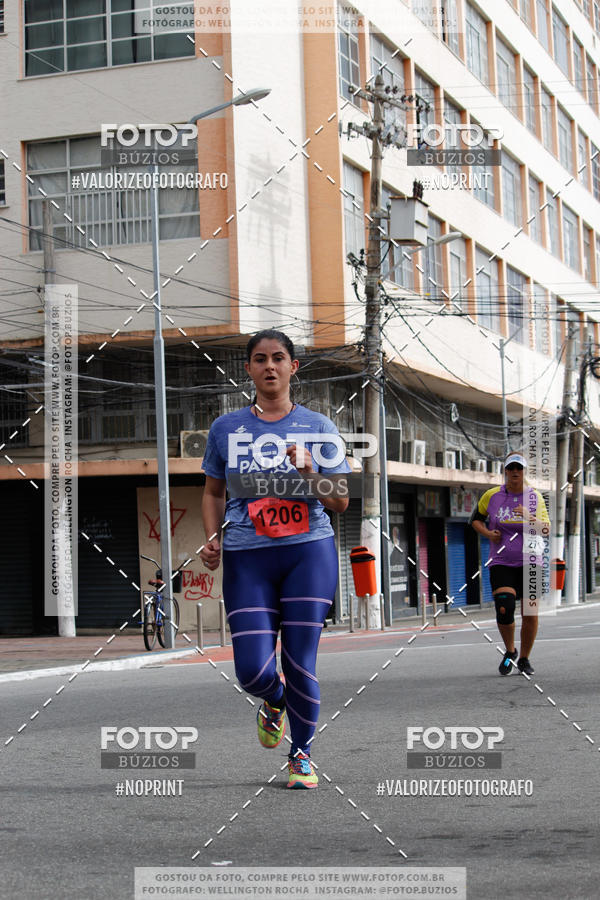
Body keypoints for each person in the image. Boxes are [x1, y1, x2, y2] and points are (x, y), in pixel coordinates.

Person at [199, 329, 350, 788]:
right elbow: (212, 491)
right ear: (248, 368)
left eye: (278, 358)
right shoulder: (226, 429)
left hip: (309, 552)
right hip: (248, 557)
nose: (270, 366)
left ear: (292, 367)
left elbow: (341, 500)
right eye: (260, 359)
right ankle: (275, 700)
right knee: (252, 670)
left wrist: (310, 473)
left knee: (300, 661)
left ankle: (301, 755)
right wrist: (213, 536)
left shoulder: (319, 427)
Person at [470, 452, 550, 676]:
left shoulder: (535, 497)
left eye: (519, 468)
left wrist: (529, 517)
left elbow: (546, 529)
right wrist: (488, 533)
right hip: (502, 560)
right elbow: (475, 519)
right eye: (511, 468)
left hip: (531, 561)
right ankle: (510, 650)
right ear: (505, 471)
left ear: (525, 472)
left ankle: (524, 658)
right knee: (504, 606)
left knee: (530, 613)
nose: (515, 472)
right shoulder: (492, 496)